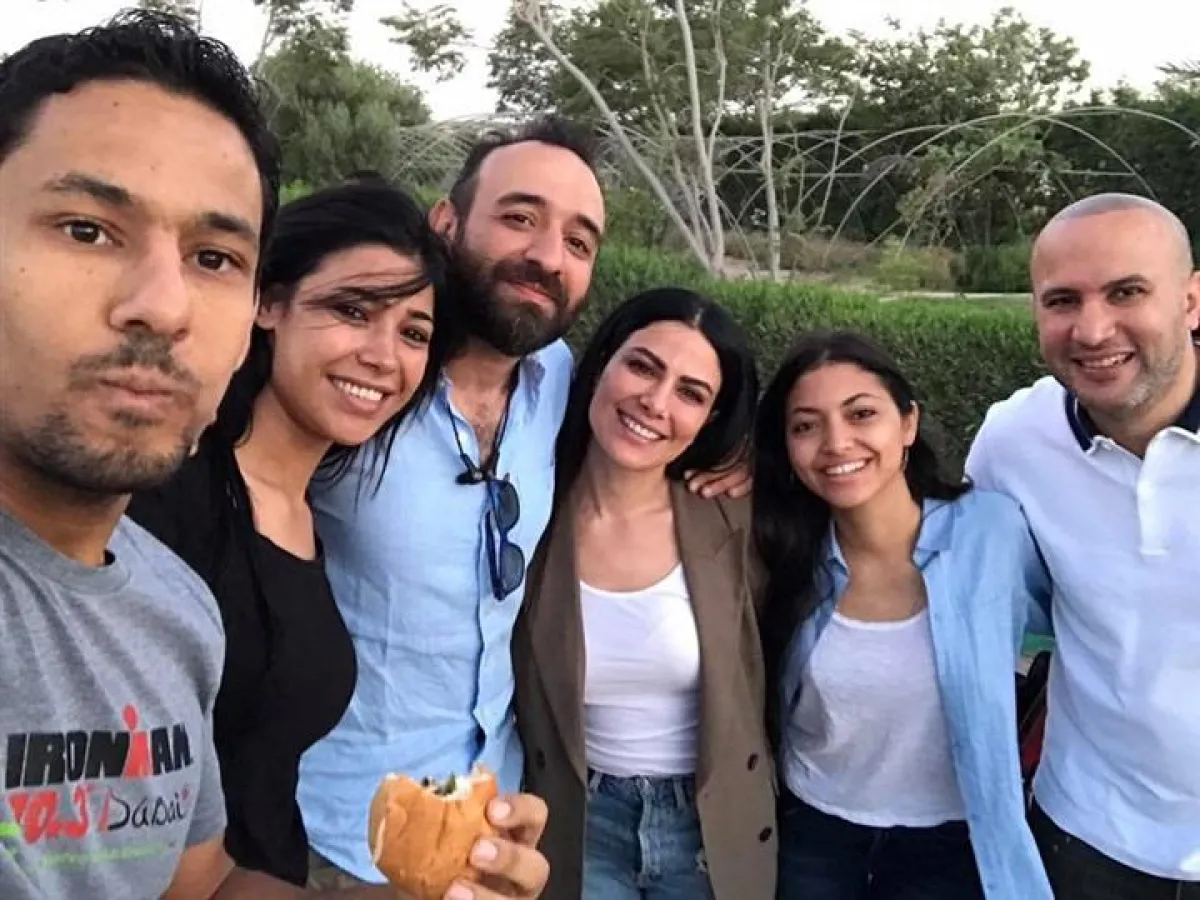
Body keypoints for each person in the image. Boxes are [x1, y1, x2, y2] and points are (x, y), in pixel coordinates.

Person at [0, 12, 547, 900]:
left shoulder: (171, 597)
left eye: (212, 256)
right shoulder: (173, 506)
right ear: (272, 307)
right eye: (88, 230)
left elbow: (199, 882)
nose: (163, 304)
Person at [298, 118, 751, 885]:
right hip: (342, 832)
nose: (547, 256)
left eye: (579, 241)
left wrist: (742, 458)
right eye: (519, 217)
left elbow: (653, 418)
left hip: (496, 825)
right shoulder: (360, 383)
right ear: (446, 222)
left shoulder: (560, 384)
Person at [124, 178, 459, 885]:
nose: (384, 355)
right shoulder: (163, 493)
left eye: (414, 333)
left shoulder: (313, 512)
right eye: (352, 310)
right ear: (269, 304)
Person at [754, 331, 1053, 900]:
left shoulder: (991, 531)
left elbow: (1081, 624)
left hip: (953, 841)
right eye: (806, 426)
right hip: (812, 833)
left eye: (861, 414)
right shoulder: (780, 549)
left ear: (908, 423)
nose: (836, 442)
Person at [965, 193, 1200, 899]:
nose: (1093, 330)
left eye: (1127, 292)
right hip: (1086, 840)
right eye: (1063, 300)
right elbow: (968, 573)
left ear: (1191, 301)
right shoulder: (1014, 442)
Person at [512, 287, 774, 900]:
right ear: (603, 361)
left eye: (691, 393)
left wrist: (757, 458)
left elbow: (832, 460)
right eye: (642, 366)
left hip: (708, 828)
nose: (655, 403)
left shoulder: (733, 515)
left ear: (711, 419)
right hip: (581, 821)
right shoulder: (530, 508)